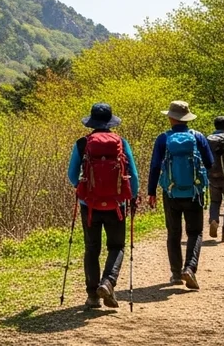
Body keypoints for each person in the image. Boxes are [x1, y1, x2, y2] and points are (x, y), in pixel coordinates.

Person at [68, 103, 140, 309]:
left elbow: (72, 175)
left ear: (91, 122)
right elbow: (133, 176)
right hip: (116, 205)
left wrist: (82, 189)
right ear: (110, 123)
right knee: (117, 247)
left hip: (88, 205)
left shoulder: (82, 143)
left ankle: (92, 296)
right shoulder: (121, 142)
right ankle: (108, 282)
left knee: (92, 248)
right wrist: (132, 196)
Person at [146, 101, 214, 290]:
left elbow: (155, 167)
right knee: (195, 232)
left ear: (170, 118)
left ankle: (176, 274)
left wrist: (151, 191)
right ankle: (190, 268)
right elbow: (209, 162)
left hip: (171, 192)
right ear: (187, 118)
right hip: (194, 192)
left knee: (173, 233)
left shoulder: (163, 138)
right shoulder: (197, 136)